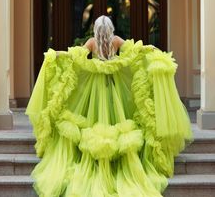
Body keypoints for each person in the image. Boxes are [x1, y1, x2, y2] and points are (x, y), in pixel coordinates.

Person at [26, 15, 193, 197]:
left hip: (95, 84)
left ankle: (98, 155)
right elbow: (135, 51)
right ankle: (117, 157)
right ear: (110, 29)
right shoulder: (115, 41)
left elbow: (74, 55)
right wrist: (149, 48)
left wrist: (56, 54)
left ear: (96, 29)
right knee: (116, 113)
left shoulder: (91, 42)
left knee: (95, 115)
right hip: (114, 83)